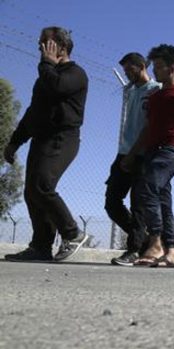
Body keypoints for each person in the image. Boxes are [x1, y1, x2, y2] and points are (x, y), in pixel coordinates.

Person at [4, 27, 89, 262]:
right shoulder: (45, 75)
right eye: (40, 44)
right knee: (32, 191)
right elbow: (33, 113)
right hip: (41, 138)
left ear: (61, 47)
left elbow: (58, 87)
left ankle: (72, 234)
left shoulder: (75, 73)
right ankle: (41, 246)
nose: (40, 48)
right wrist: (14, 142)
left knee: (41, 184)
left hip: (63, 138)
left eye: (46, 43)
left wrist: (46, 64)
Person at [125, 44, 174, 267]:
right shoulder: (155, 96)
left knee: (147, 186)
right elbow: (147, 128)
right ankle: (172, 251)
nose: (155, 71)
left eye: (159, 66)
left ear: (173, 68)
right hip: (151, 150)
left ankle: (155, 241)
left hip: (172, 149)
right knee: (163, 199)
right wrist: (132, 154)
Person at [107, 52, 161, 266]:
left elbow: (149, 126)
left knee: (138, 203)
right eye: (125, 71)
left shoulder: (154, 90)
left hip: (142, 154)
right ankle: (146, 241)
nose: (127, 73)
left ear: (141, 66)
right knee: (112, 202)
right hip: (124, 151)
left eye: (130, 69)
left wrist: (133, 154)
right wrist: (125, 153)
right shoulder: (130, 91)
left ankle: (134, 249)